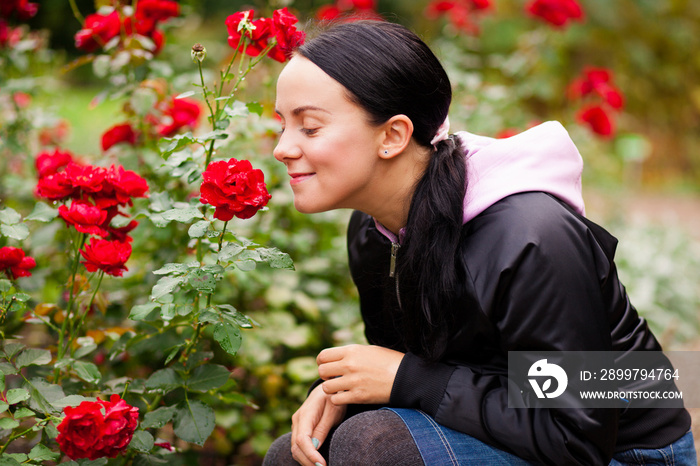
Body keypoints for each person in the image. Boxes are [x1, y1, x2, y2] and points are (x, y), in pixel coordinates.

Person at [263, 19, 695, 466]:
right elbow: (427, 372)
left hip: (624, 452)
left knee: (376, 448)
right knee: (294, 457)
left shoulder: (529, 235)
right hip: (510, 425)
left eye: (309, 128)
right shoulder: (374, 232)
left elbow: (576, 437)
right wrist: (344, 393)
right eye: (283, 125)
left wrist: (405, 379)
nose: (282, 148)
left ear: (392, 135)